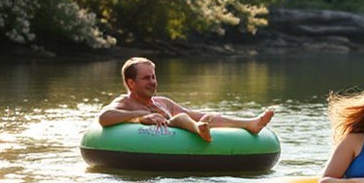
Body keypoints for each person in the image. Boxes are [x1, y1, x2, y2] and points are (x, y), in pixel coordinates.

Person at [97, 57, 274, 142]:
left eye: (153, 77)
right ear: (131, 83)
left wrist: (208, 118)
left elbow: (192, 113)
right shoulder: (125, 103)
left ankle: (249, 123)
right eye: (146, 78)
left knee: (205, 115)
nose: (152, 82)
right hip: (163, 134)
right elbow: (104, 117)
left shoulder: (162, 102)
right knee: (180, 118)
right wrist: (140, 115)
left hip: (179, 127)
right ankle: (198, 130)